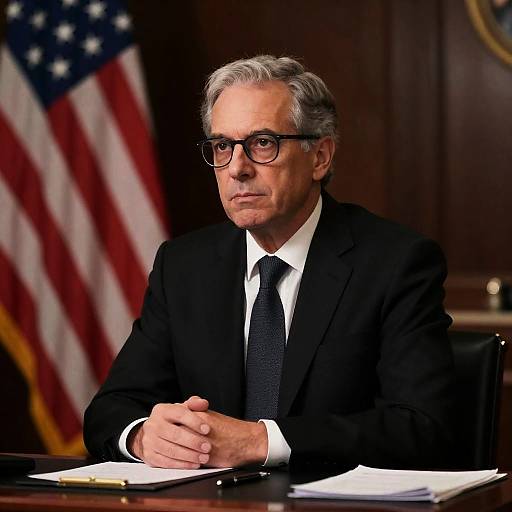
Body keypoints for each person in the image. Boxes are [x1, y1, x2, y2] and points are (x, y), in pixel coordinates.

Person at [84, 55, 455, 470]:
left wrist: (262, 441)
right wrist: (143, 436)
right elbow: (110, 410)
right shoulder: (184, 266)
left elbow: (423, 429)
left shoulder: (396, 263)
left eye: (263, 143)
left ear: (320, 157)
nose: (237, 169)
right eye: (223, 146)